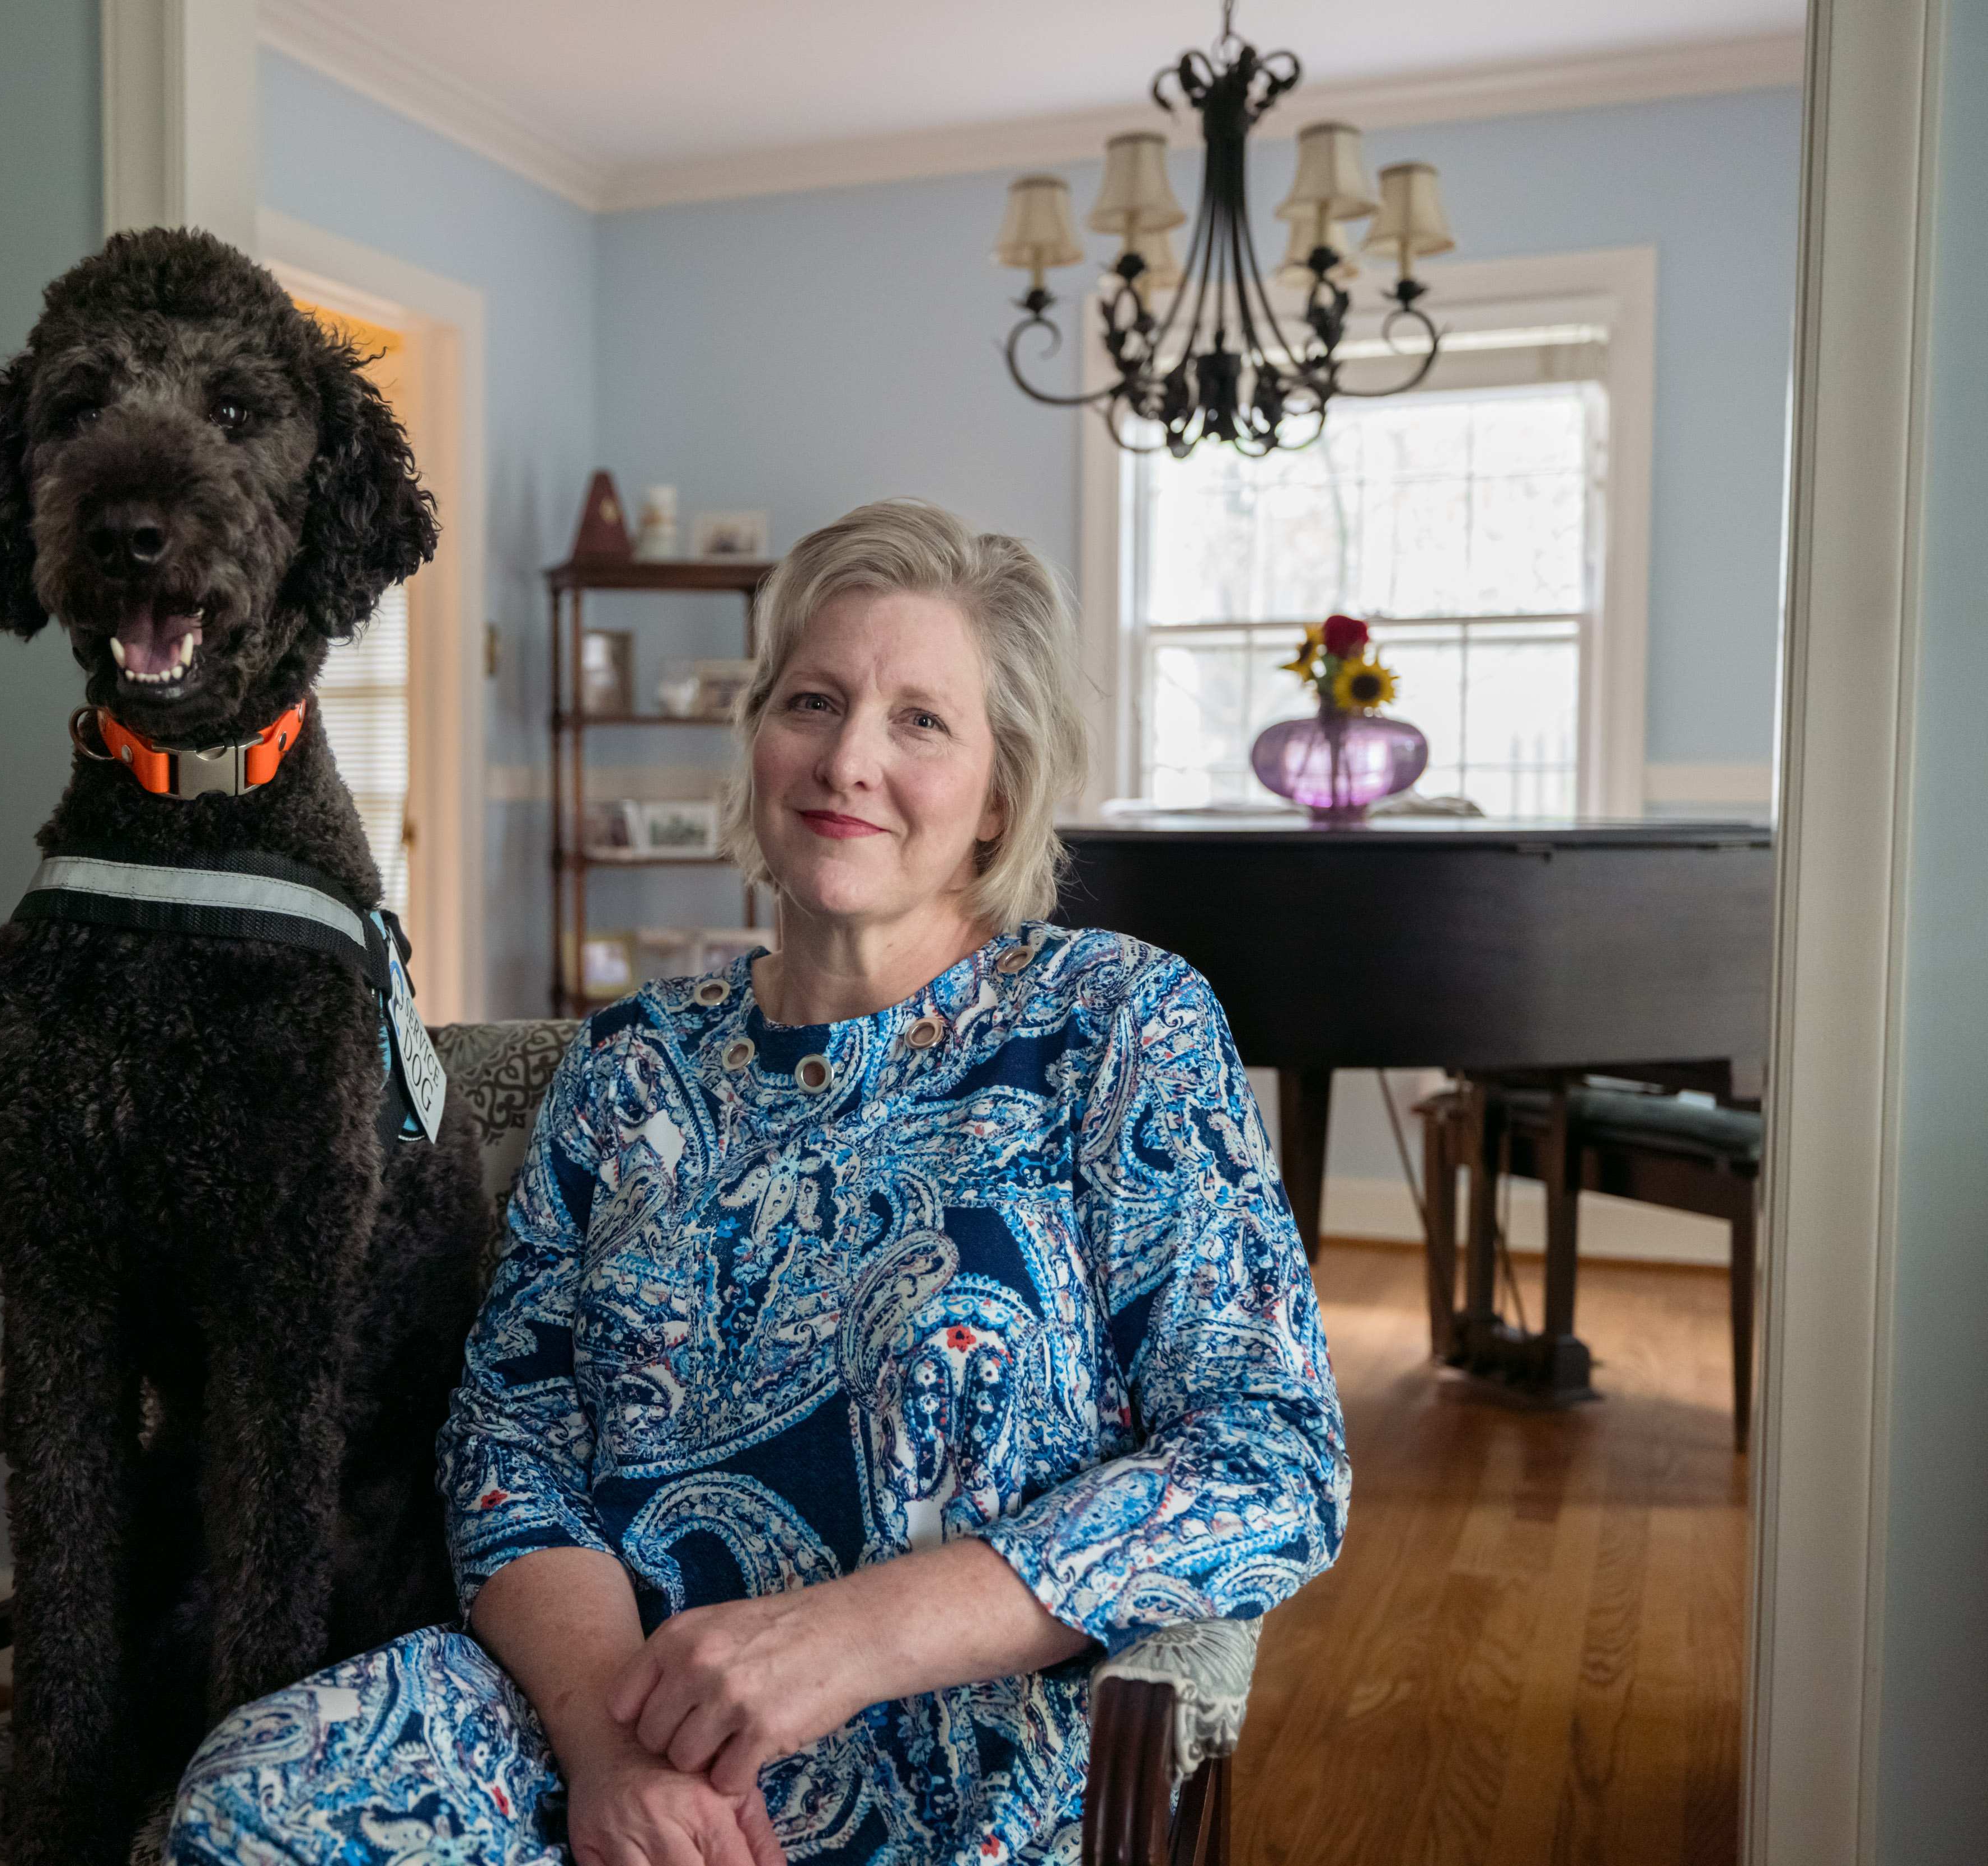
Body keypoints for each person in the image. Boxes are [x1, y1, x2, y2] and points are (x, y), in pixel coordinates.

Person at [171, 499, 1350, 1865]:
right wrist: (611, 1756)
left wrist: (851, 1636)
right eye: (813, 699)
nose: (848, 759)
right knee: (253, 1804)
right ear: (756, 739)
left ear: (999, 795)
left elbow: (1269, 1464)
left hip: (960, 1746)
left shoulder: (1118, 1026)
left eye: (921, 721)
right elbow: (512, 1448)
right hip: (612, 1720)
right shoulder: (628, 1071)